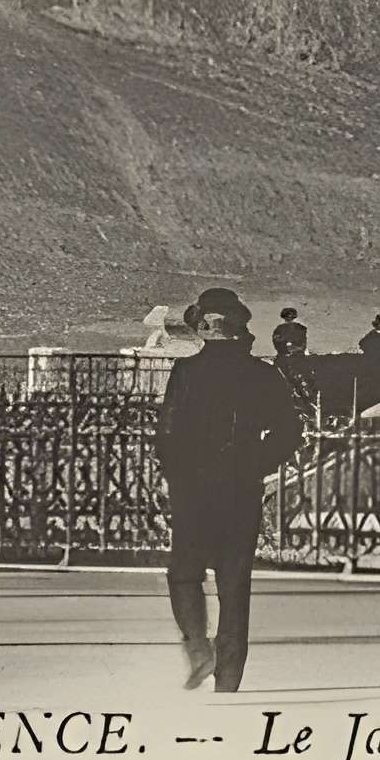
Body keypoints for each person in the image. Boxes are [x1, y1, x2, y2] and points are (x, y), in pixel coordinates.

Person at [154, 286, 301, 693]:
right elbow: (290, 431)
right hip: (240, 487)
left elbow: (166, 433)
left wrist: (174, 474)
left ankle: (198, 647)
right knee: (234, 583)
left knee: (184, 572)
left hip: (192, 488)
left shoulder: (186, 372)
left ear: (202, 328)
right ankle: (229, 680)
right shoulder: (262, 375)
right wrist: (256, 462)